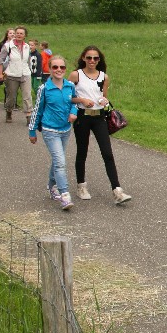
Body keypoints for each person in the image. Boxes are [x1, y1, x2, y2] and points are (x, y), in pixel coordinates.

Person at [69, 45, 132, 205]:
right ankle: (81, 186)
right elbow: (67, 97)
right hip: (82, 117)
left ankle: (117, 190)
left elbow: (103, 96)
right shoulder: (76, 75)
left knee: (107, 153)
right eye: (89, 57)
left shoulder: (104, 76)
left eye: (95, 58)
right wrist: (82, 100)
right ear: (83, 58)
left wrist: (104, 101)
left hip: (99, 117)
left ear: (99, 60)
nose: (92, 61)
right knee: (82, 152)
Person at [30, 55, 78, 210]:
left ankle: (52, 186)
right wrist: (32, 130)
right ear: (49, 69)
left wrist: (74, 112)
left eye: (62, 67)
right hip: (50, 130)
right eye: (55, 67)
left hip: (65, 129)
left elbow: (75, 102)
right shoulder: (44, 88)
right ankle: (65, 195)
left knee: (58, 160)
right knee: (60, 162)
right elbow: (37, 110)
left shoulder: (70, 86)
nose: (59, 70)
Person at [0, 25, 33, 124]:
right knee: (11, 97)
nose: (19, 35)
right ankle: (9, 111)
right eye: (17, 33)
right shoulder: (8, 46)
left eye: (21, 33)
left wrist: (30, 70)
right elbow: (0, 60)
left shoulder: (27, 46)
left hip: (25, 74)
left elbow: (28, 61)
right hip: (12, 75)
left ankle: (29, 116)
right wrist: (0, 74)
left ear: (25, 35)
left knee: (27, 96)